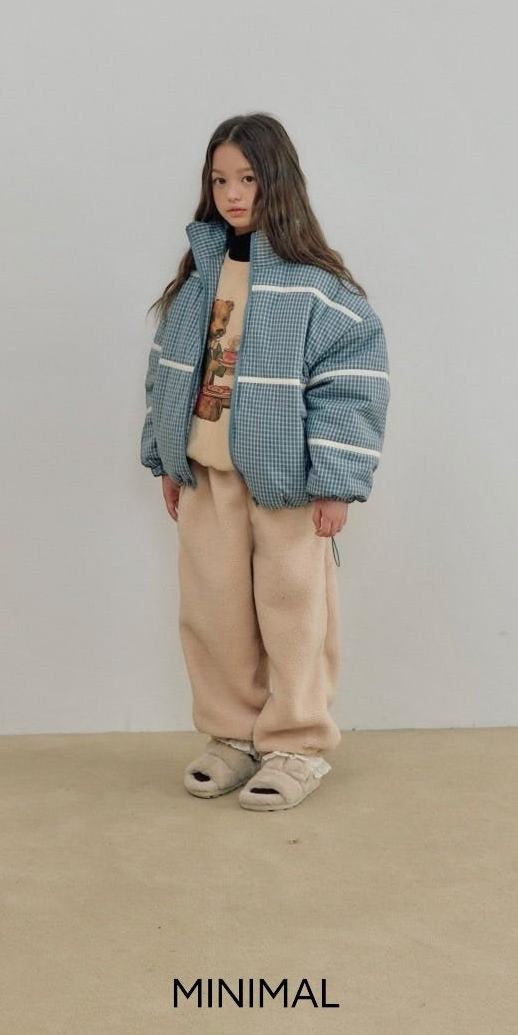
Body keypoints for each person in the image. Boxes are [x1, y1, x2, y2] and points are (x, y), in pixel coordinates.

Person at [140, 113, 390, 811]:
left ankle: (297, 744)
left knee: (294, 616)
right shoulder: (199, 279)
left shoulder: (318, 289)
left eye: (247, 178)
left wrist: (336, 483)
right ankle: (233, 735)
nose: (232, 193)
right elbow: (166, 373)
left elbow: (352, 387)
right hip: (207, 477)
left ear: (277, 182)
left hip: (287, 484)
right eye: (220, 179)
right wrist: (166, 459)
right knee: (213, 612)